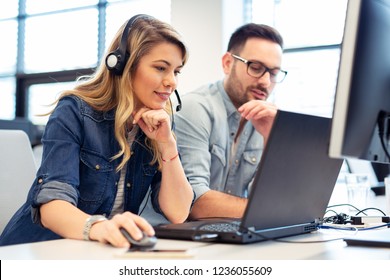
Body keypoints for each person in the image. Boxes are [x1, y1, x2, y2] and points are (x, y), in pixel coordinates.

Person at [0, 14, 194, 247]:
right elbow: (51, 207)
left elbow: (178, 212)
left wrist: (167, 144)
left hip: (97, 251)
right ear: (123, 66)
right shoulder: (74, 112)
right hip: (35, 250)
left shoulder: (158, 125)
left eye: (176, 71)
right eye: (161, 68)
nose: (172, 82)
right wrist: (101, 226)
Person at [175, 23, 287, 220]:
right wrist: (275, 210)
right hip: (183, 238)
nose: (265, 82)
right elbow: (194, 203)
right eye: (256, 67)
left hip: (231, 233)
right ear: (227, 63)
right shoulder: (194, 108)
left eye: (274, 73)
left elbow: (271, 197)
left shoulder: (265, 118)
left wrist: (273, 139)